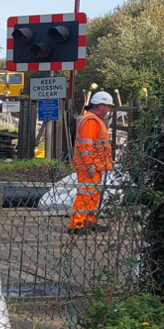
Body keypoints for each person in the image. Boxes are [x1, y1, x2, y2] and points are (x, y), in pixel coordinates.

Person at [68, 91, 114, 233]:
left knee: (93, 194)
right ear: (100, 106)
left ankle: (88, 221)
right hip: (89, 166)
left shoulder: (93, 119)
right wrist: (89, 165)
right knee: (86, 194)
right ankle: (76, 225)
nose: (109, 110)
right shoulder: (91, 121)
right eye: (108, 107)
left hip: (94, 165)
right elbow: (86, 146)